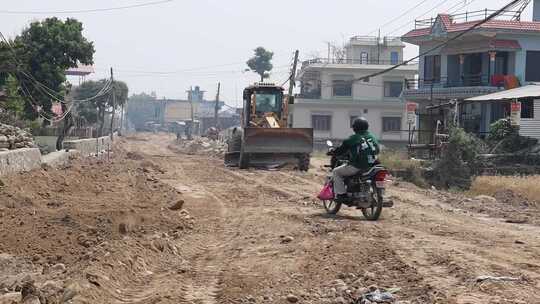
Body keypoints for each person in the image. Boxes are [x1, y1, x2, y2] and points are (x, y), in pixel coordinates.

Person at [329, 117, 380, 201]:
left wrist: (333, 152)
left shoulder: (353, 138)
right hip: (373, 165)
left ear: (355, 128)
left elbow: (341, 150)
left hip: (358, 166)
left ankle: (342, 195)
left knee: (336, 172)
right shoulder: (372, 137)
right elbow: (377, 149)